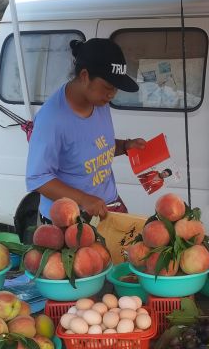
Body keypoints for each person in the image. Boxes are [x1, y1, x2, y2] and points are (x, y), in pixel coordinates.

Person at [25, 38, 146, 222]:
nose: (112, 94)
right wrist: (83, 200)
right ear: (84, 76)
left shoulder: (99, 102)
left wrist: (126, 146)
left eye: (116, 88)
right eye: (108, 87)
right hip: (70, 218)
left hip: (107, 206)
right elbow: (38, 178)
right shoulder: (52, 119)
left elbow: (93, 147)